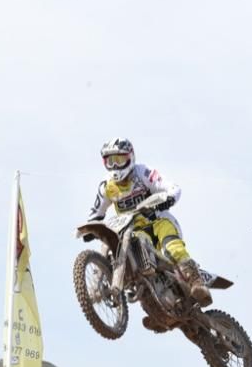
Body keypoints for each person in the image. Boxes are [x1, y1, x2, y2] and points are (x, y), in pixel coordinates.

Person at [87, 137, 212, 320]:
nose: (115, 165)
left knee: (171, 247)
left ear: (130, 157)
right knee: (129, 257)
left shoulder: (142, 172)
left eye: (119, 160)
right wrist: (91, 226)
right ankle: (157, 312)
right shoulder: (107, 186)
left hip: (158, 221)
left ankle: (196, 281)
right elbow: (96, 211)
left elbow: (171, 187)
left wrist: (168, 197)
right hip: (135, 230)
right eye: (110, 161)